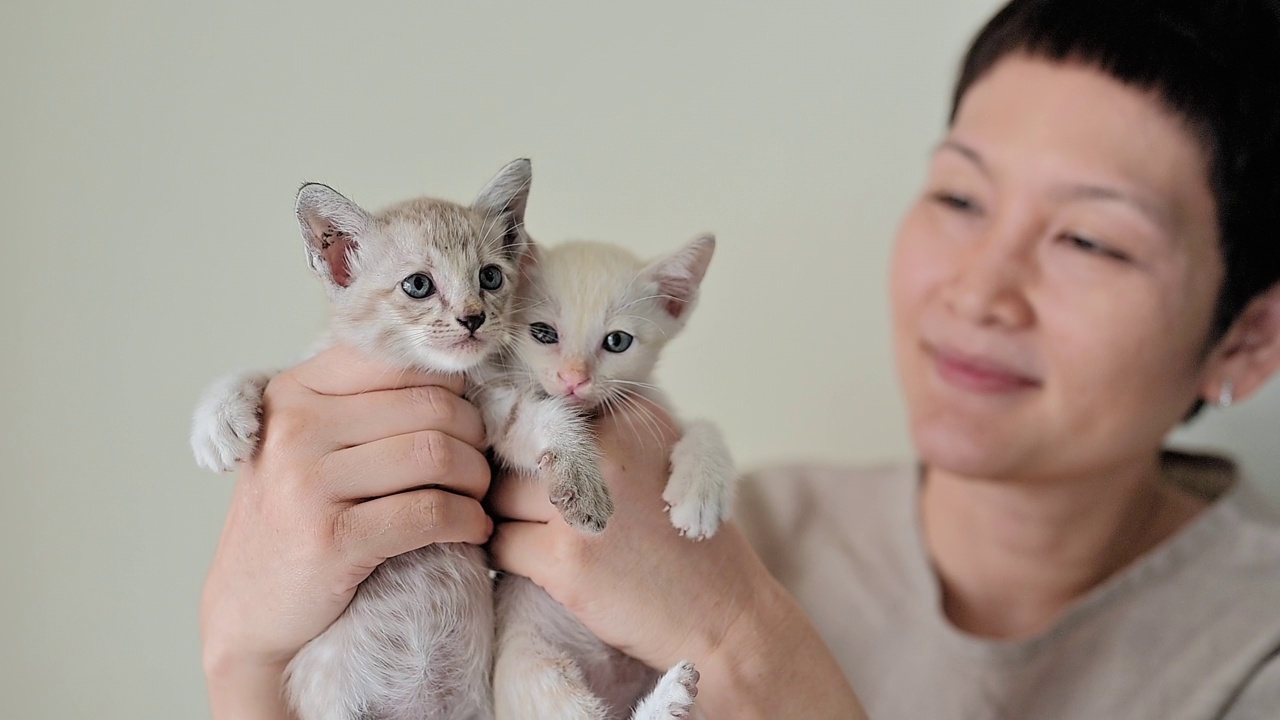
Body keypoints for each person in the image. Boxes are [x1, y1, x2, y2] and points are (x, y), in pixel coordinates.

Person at [200, 0, 1280, 717]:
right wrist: (244, 661)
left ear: (1247, 336)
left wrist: (738, 632)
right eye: (957, 196)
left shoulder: (1248, 652)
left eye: (1088, 239)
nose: (977, 291)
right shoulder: (727, 513)